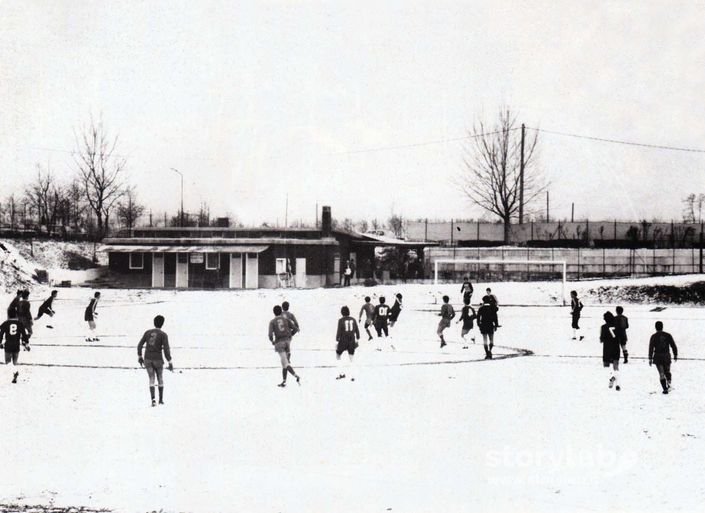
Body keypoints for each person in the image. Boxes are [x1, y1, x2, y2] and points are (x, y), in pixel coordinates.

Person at [137, 315, 173, 407]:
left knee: (151, 378)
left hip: (147, 358)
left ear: (154, 322)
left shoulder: (147, 332)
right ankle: (160, 400)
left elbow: (140, 345)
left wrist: (140, 356)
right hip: (158, 359)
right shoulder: (163, 335)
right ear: (162, 324)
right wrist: (169, 361)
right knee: (160, 377)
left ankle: (153, 399)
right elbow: (166, 349)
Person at [268, 305, 301, 387]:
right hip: (288, 341)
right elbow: (296, 328)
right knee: (284, 362)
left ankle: (296, 375)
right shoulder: (286, 319)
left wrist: (272, 341)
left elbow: (270, 334)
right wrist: (291, 335)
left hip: (280, 343)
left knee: (285, 362)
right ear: (281, 311)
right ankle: (284, 381)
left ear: (274, 312)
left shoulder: (272, 322)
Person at [648, 321, 678, 394]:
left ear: (655, 327)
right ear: (662, 326)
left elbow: (651, 348)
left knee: (661, 373)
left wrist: (650, 358)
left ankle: (664, 388)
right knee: (667, 371)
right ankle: (669, 384)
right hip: (666, 356)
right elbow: (673, 345)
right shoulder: (668, 335)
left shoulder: (653, 336)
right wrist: (675, 354)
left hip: (658, 356)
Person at [0, 312, 30, 384]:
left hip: (8, 344)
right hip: (16, 344)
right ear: (16, 316)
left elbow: (1, 333)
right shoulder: (20, 324)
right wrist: (26, 343)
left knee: (7, 362)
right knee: (15, 362)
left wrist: (0, 342)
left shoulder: (5, 323)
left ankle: (15, 372)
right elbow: (24, 334)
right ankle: (14, 374)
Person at [335, 306, 360, 381]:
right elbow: (357, 330)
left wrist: (337, 340)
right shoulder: (353, 319)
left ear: (342, 312)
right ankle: (353, 376)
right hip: (352, 340)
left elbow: (339, 331)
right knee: (351, 358)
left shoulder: (341, 320)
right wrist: (357, 338)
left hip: (343, 340)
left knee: (338, 355)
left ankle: (341, 373)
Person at [600, 311, 621, 391]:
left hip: (607, 348)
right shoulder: (617, 326)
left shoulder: (603, 327)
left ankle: (611, 377)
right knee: (616, 365)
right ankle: (617, 383)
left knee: (606, 366)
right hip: (616, 347)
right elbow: (620, 337)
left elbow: (601, 339)